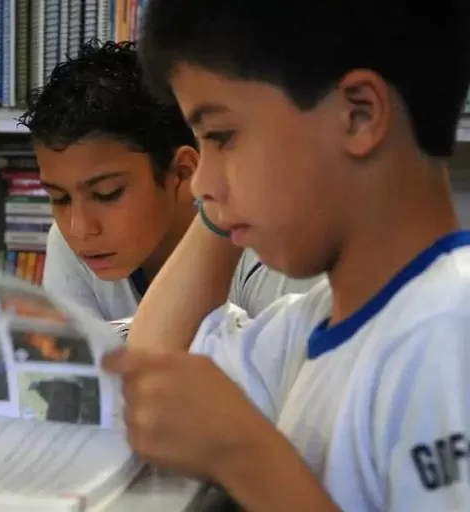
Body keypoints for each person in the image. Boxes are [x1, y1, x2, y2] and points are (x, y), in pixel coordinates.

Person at [104, 1, 470, 511]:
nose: (200, 184)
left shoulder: (449, 331)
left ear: (359, 115)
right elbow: (160, 374)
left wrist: (246, 456)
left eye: (222, 137)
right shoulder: (314, 323)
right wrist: (227, 203)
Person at [18, 40, 322, 322]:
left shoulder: (265, 245)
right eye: (59, 198)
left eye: (107, 193)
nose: (80, 228)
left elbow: (292, 361)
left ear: (184, 172)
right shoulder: (68, 244)